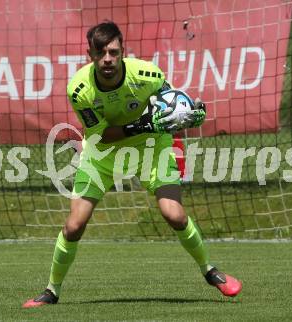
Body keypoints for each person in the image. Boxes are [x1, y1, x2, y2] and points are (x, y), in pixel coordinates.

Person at [23, 21, 242, 308]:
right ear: (90, 54)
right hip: (104, 151)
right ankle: (51, 291)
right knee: (74, 225)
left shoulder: (148, 74)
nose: (108, 59)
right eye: (100, 53)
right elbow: (100, 135)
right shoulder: (79, 89)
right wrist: (141, 123)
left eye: (113, 52)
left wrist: (192, 113)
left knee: (173, 214)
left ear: (123, 51)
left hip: (152, 146)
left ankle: (210, 271)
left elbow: (174, 103)